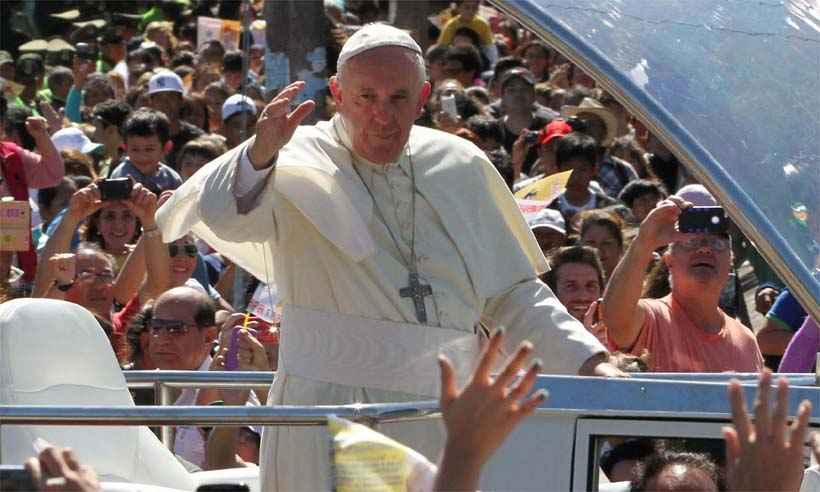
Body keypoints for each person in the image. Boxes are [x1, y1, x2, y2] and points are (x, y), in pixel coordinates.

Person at [157, 23, 618, 492]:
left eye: (399, 97)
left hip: (445, 416)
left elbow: (513, 295)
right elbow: (227, 217)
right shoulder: (293, 156)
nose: (382, 115)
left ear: (423, 96)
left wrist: (590, 362)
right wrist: (260, 153)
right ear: (337, 92)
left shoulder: (460, 164)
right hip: (326, 415)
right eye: (365, 97)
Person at [601, 190, 764, 372]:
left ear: (731, 264)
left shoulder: (746, 341)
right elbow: (615, 319)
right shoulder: (654, 318)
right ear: (669, 261)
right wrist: (644, 241)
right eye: (690, 241)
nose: (705, 249)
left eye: (717, 243)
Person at [110, 108, 182, 194]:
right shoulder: (120, 177)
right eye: (135, 149)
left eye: (149, 149)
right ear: (125, 148)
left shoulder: (172, 179)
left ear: (166, 148)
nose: (142, 156)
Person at [145, 71, 204, 169]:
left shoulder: (197, 138)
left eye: (171, 97)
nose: (165, 103)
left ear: (181, 101)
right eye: (159, 98)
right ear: (151, 102)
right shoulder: (141, 137)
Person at [436, 0, 498, 68]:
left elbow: (490, 48)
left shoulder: (482, 24)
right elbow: (441, 49)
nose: (471, 11)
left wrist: (494, 66)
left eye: (474, 8)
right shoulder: (450, 26)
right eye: (467, 7)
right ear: (458, 8)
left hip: (476, 62)